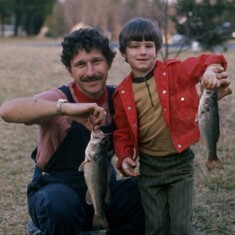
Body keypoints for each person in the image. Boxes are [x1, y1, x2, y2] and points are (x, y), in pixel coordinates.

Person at [0, 28, 145, 235]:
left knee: (145, 190)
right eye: (80, 64)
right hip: (54, 191)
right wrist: (65, 108)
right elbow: (6, 111)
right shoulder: (60, 97)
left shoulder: (119, 99)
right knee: (60, 206)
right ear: (70, 70)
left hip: (99, 191)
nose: (90, 72)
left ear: (109, 63)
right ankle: (44, 226)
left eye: (96, 61)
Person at [112, 17, 232, 235]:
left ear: (157, 49)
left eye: (149, 46)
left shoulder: (174, 71)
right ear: (123, 53)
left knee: (180, 227)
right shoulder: (121, 94)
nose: (142, 51)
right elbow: (121, 133)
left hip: (180, 165)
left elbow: (210, 58)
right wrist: (124, 156)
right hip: (149, 167)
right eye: (135, 46)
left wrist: (210, 70)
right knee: (155, 226)